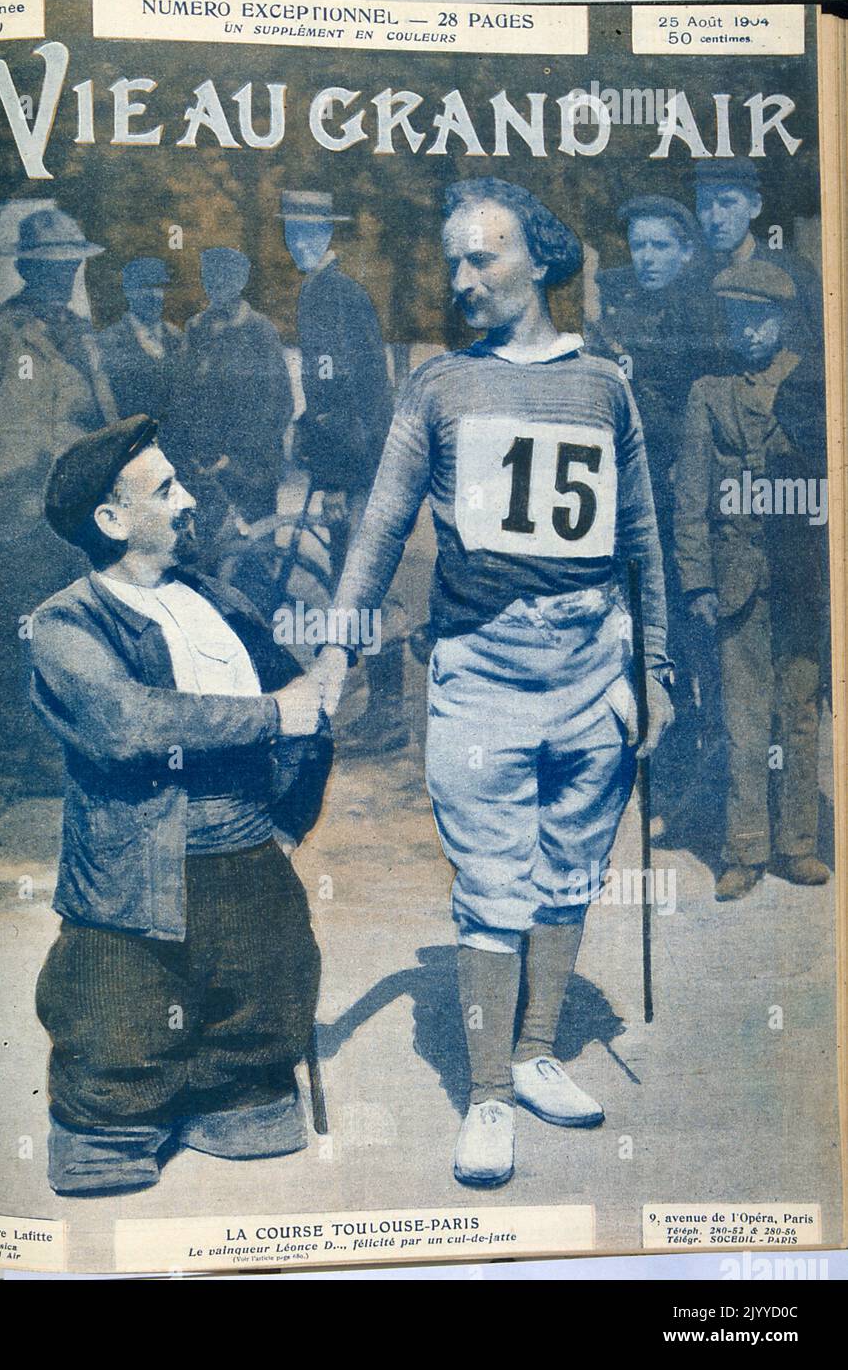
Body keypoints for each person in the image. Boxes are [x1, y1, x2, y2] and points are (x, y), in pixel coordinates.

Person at [313, 177, 673, 1187]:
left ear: (541, 260)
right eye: (454, 263)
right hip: (479, 668)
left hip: (594, 663)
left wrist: (656, 670)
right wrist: (339, 640)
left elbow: (640, 541)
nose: (464, 279)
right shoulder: (437, 386)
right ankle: (484, 1095)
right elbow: (382, 522)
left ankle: (536, 1050)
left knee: (567, 870)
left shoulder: (604, 385)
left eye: (484, 257)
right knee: (489, 887)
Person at [30, 414, 331, 1195]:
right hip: (134, 883)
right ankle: (113, 1126)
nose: (190, 499)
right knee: (118, 1021)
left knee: (266, 1003)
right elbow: (127, 723)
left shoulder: (218, 601)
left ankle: (236, 1096)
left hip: (248, 855)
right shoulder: (67, 622)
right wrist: (272, 717)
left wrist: (286, 826)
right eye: (167, 488)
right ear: (111, 519)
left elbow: (309, 707)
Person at [0, 206, 116, 817]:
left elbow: (104, 421)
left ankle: (48, 762)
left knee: (68, 638)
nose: (62, 275)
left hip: (74, 518)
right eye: (49, 266)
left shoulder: (84, 337)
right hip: (21, 513)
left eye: (70, 264)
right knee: (16, 637)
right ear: (27, 268)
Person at [674, 261, 829, 901]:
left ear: (785, 320)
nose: (749, 332)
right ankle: (744, 850)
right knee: (741, 721)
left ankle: (798, 846)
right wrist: (697, 583)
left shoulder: (813, 385)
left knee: (797, 715)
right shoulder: (708, 393)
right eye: (738, 320)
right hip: (735, 577)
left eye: (760, 319)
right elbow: (689, 497)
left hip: (799, 581)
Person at [585, 195, 721, 837]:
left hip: (686, 510)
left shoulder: (704, 319)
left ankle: (699, 790)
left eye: (662, 245)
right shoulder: (618, 318)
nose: (648, 258)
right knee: (635, 640)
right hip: (628, 508)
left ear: (687, 253)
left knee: (693, 649)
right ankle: (651, 779)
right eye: (639, 245)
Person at [280, 189, 403, 751]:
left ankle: (390, 711)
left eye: (312, 233)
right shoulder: (317, 294)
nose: (301, 243)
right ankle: (378, 704)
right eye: (293, 233)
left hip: (356, 465)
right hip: (346, 458)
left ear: (330, 235)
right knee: (350, 584)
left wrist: (334, 478)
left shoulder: (340, 296)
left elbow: (357, 395)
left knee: (362, 584)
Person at [175, 246, 293, 531]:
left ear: (241, 282)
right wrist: (199, 454)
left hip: (252, 468)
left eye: (226, 278)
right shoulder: (196, 328)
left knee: (254, 554)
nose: (216, 286)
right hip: (205, 466)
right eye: (210, 278)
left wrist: (238, 459)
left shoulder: (260, 330)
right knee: (210, 552)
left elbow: (280, 403)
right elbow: (184, 395)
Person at [695, 158, 822, 357]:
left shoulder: (794, 271)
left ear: (754, 207)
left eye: (728, 203)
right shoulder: (694, 277)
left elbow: (819, 348)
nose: (716, 218)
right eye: (704, 204)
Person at [95, 256, 183, 422]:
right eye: (144, 287)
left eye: (158, 287)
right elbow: (107, 403)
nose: (153, 295)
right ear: (128, 292)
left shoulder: (177, 337)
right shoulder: (110, 340)